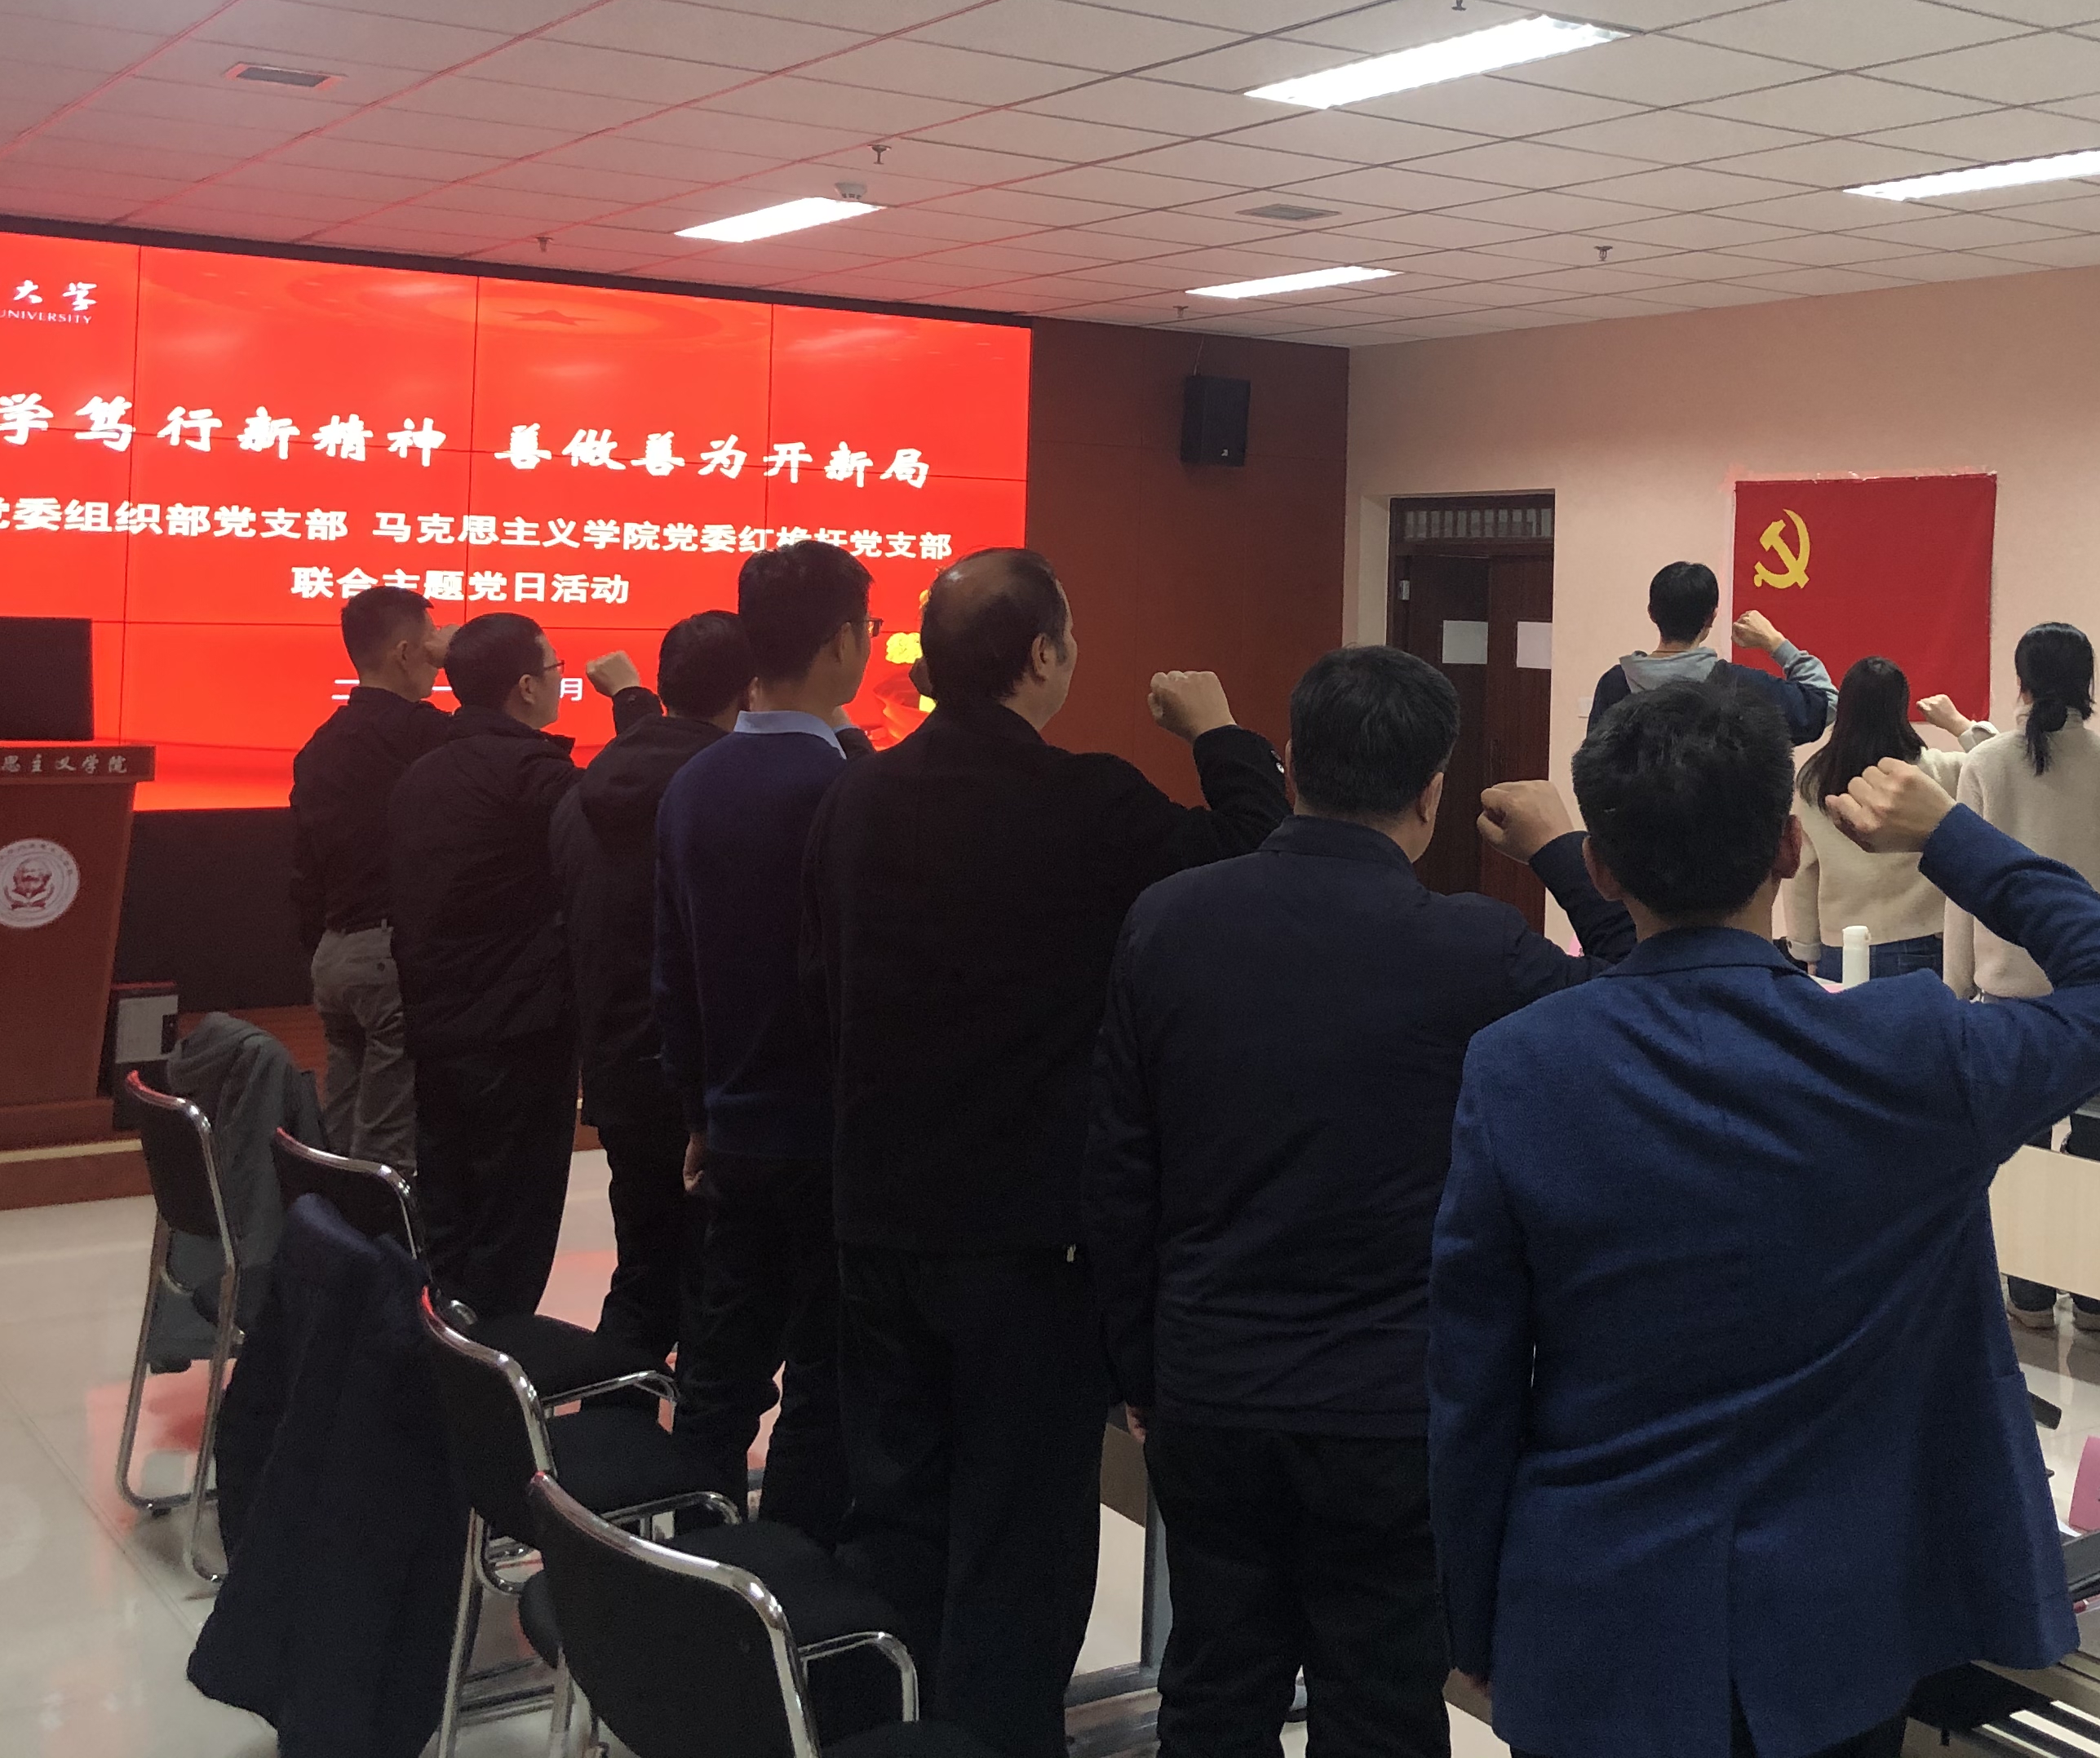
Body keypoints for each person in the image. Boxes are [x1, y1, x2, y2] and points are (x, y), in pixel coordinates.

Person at [1428, 687, 2100, 1758]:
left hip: (1597, 1609)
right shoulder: (1914, 1053)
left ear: (1599, 869)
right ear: (1791, 848)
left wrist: (1471, 1613)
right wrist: (1952, 836)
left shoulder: (1520, 1068)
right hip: (1842, 1630)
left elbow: (1473, 1384)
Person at [1084, 646, 1637, 1758]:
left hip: (1212, 1379)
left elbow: (1118, 1171)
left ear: (1291, 763)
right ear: (1431, 793)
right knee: (1383, 1704)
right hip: (1393, 1406)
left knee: (1214, 1688)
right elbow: (1644, 994)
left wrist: (1139, 1370)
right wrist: (1561, 852)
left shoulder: (1168, 920)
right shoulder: (1476, 949)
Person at [804, 548, 1288, 1758]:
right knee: (1020, 1541)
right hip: (1026, 1240)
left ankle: (888, 1737)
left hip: (875, 1216)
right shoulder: (1088, 802)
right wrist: (1218, 730)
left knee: (898, 1518)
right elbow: (1257, 851)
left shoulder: (856, 796)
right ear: (1040, 655)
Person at [655, 540, 879, 1541]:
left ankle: (689, 1571)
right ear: (843, 641)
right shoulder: (850, 790)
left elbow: (674, 975)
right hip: (834, 1138)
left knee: (720, 1371)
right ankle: (792, 1580)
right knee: (825, 1382)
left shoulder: (694, 783)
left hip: (736, 1127)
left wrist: (698, 1112)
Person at [1938, 622, 2100, 1338]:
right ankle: (2096, 1297)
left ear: (2020, 682)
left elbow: (1961, 886)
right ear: (2089, 683)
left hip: (2007, 993)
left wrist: (1957, 983)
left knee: (2016, 1153)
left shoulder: (1987, 763)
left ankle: (2027, 1293)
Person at [388, 613, 654, 1322]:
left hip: (437, 1026)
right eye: (557, 669)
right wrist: (633, 701)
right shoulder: (528, 774)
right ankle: (493, 1376)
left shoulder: (423, 773)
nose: (563, 682)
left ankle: (440, 1359)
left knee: (450, 1216)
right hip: (518, 1034)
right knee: (511, 1228)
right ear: (527, 687)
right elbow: (633, 804)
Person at [550, 609, 751, 1362]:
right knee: (712, 1286)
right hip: (701, 1080)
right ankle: (680, 1430)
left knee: (644, 1266)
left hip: (615, 1066)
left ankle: (619, 1410)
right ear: (750, 690)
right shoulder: (725, 794)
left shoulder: (584, 792)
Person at [287, 582, 454, 1173]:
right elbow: (499, 736)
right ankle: (381, 1237)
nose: (439, 656)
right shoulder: (423, 735)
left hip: (335, 956)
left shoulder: (320, 745)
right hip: (389, 956)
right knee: (389, 1152)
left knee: (341, 1140)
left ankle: (334, 1229)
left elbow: (304, 871)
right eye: (432, 644)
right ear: (407, 653)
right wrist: (468, 661)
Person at [1782, 655, 1983, 983]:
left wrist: (1806, 949)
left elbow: (1803, 871)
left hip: (1839, 945)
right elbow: (2005, 762)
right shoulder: (1936, 771)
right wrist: (1958, 724)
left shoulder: (1813, 779)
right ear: (1901, 706)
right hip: (1923, 940)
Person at [1589, 561, 1836, 742]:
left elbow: (1592, 775)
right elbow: (1826, 703)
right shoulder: (1743, 688)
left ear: (1652, 613)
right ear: (1712, 617)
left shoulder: (1614, 685)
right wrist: (1775, 642)